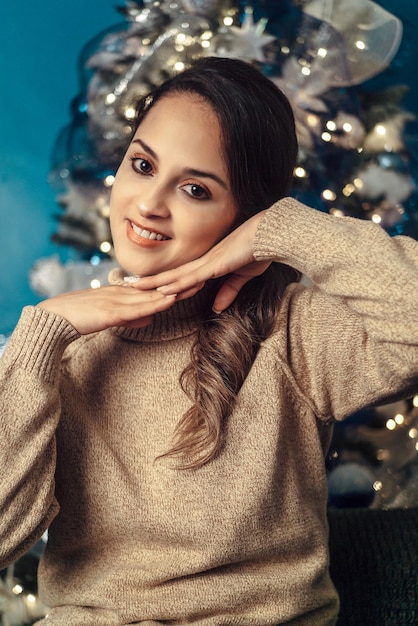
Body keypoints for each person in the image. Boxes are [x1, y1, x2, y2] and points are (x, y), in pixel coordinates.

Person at [1, 56, 418, 626]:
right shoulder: (61, 356)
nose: (149, 204)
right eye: (142, 165)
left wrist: (282, 229)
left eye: (195, 188)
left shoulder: (290, 335)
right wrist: (40, 337)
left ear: (241, 216)